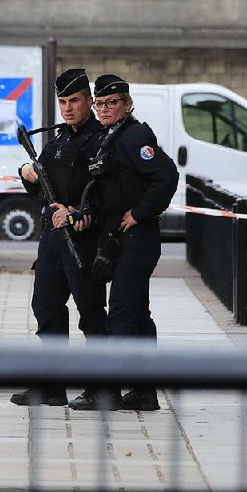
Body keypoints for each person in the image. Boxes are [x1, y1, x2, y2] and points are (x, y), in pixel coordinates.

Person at [64, 74, 178, 411]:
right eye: (99, 104)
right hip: (117, 237)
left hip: (137, 237)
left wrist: (140, 213)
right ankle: (144, 391)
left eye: (111, 103)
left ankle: (105, 391)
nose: (104, 109)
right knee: (139, 317)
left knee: (121, 316)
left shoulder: (134, 135)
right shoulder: (108, 137)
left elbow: (166, 175)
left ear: (126, 105)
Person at [9, 69, 108, 407]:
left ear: (89, 102)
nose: (68, 108)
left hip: (83, 235)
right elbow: (42, 187)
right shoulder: (58, 140)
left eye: (75, 101)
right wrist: (27, 174)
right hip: (53, 236)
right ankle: (51, 385)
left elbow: (105, 190)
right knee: (46, 306)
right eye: (63, 102)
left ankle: (101, 387)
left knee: (91, 311)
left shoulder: (100, 140)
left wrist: (80, 212)